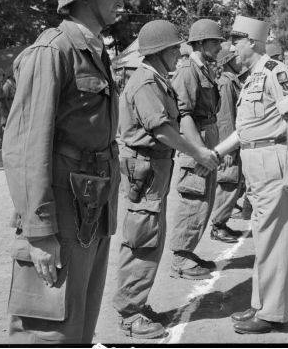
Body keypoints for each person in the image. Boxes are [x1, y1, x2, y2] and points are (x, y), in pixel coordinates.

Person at [2, 0, 128, 344]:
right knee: (50, 330)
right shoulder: (53, 51)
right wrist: (39, 234)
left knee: (80, 322)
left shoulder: (94, 50)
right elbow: (24, 147)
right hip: (62, 209)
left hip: (92, 204)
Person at [113, 20, 218, 339]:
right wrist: (197, 152)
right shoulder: (146, 82)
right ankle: (130, 314)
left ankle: (136, 304)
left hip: (153, 167)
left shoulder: (156, 78)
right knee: (142, 237)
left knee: (150, 236)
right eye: (174, 48)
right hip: (145, 167)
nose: (179, 53)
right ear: (159, 50)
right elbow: (161, 129)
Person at [212, 15, 288, 334]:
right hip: (256, 162)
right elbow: (245, 131)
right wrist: (215, 153)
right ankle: (261, 305)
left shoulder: (274, 71)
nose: (231, 47)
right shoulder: (251, 77)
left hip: (273, 161)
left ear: (251, 41)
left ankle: (272, 314)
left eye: (235, 41)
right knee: (263, 239)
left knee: (274, 241)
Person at [169, 19, 223, 280]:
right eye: (215, 41)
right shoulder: (188, 70)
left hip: (207, 138)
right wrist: (199, 150)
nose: (220, 46)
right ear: (200, 43)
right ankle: (180, 257)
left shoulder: (205, 69)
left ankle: (187, 251)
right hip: (196, 141)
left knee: (204, 200)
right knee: (193, 197)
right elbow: (183, 114)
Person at [210, 42, 244, 244]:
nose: (241, 61)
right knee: (228, 183)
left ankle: (221, 222)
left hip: (235, 141)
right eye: (236, 58)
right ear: (229, 61)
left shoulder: (231, 80)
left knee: (233, 183)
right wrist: (227, 148)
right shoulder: (225, 83)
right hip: (230, 142)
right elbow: (225, 118)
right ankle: (218, 226)